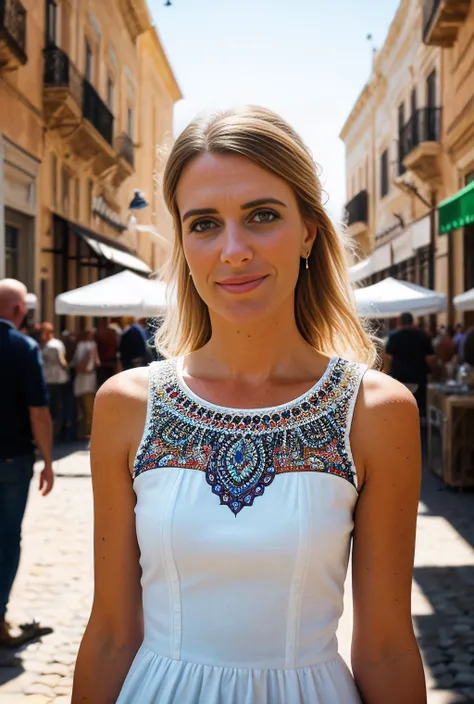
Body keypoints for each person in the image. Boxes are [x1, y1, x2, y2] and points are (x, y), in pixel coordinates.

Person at [73, 107, 426, 704]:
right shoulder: (128, 405)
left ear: (309, 230)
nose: (233, 250)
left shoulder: (376, 410)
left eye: (262, 216)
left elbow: (386, 647)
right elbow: (111, 632)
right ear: (183, 243)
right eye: (204, 223)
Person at [0, 279, 54, 646]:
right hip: (11, 459)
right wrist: (48, 460)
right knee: (6, 539)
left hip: (12, 459)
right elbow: (39, 412)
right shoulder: (22, 347)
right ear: (20, 311)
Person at [384, 311, 435, 419]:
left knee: (400, 407)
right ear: (412, 322)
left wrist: (387, 374)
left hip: (399, 377)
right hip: (418, 377)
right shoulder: (422, 336)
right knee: (419, 409)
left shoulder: (394, 337)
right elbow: (430, 358)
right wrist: (433, 371)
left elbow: (388, 357)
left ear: (400, 322)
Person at [40, 322, 70, 442]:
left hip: (55, 379)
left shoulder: (53, 345)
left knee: (55, 407)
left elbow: (62, 361)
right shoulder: (55, 344)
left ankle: (55, 433)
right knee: (56, 407)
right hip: (53, 379)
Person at [71, 330, 100, 440]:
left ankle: (80, 431)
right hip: (89, 378)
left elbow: (75, 362)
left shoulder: (79, 345)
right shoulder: (92, 345)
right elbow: (97, 362)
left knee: (80, 406)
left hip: (79, 378)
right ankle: (88, 431)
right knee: (88, 407)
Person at [95, 318, 118, 388]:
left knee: (101, 382)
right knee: (111, 381)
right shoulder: (112, 332)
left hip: (102, 360)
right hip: (111, 359)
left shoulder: (98, 333)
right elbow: (116, 345)